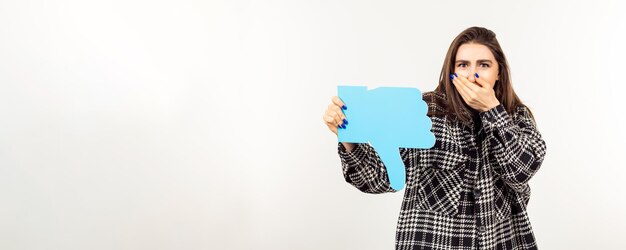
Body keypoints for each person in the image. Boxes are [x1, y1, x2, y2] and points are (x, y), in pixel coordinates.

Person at [322, 26, 547, 250]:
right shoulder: (422, 111)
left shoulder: (517, 116)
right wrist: (348, 136)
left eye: (484, 65)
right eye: (463, 65)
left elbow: (522, 170)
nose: (472, 75)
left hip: (503, 241)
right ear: (451, 70)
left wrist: (492, 111)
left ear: (499, 72)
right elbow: (379, 179)